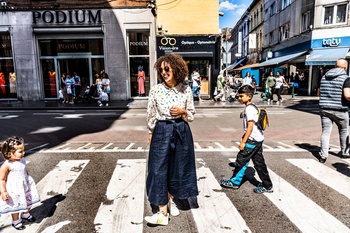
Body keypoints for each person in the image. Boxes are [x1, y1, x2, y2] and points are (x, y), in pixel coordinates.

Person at [144, 53, 198, 226]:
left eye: (167, 69)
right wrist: (151, 132)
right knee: (158, 169)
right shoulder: (156, 90)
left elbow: (191, 114)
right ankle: (162, 212)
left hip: (181, 130)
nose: (164, 72)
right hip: (162, 129)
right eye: (161, 70)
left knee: (178, 168)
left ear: (176, 68)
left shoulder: (186, 89)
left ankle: (171, 199)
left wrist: (182, 112)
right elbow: (151, 113)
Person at [220, 85, 273, 194]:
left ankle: (235, 182)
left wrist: (243, 141)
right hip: (258, 139)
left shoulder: (249, 109)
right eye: (238, 96)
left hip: (252, 140)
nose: (239, 98)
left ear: (249, 96)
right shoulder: (253, 106)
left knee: (241, 160)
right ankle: (268, 186)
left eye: (241, 96)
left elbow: (250, 127)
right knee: (259, 163)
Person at [0, 136, 40, 230]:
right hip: (14, 190)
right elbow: (2, 179)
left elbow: (23, 171)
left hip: (25, 185)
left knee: (28, 200)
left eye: (23, 150)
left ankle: (26, 214)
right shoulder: (6, 165)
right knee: (15, 205)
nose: (24, 153)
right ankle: (16, 221)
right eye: (20, 151)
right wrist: (3, 192)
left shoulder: (22, 160)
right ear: (9, 154)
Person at [318, 58, 350, 163]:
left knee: (326, 132)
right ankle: (345, 152)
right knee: (344, 131)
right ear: (345, 67)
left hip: (325, 109)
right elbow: (347, 95)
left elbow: (319, 93)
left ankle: (323, 155)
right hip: (340, 109)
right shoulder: (346, 78)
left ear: (335, 66)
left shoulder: (324, 77)